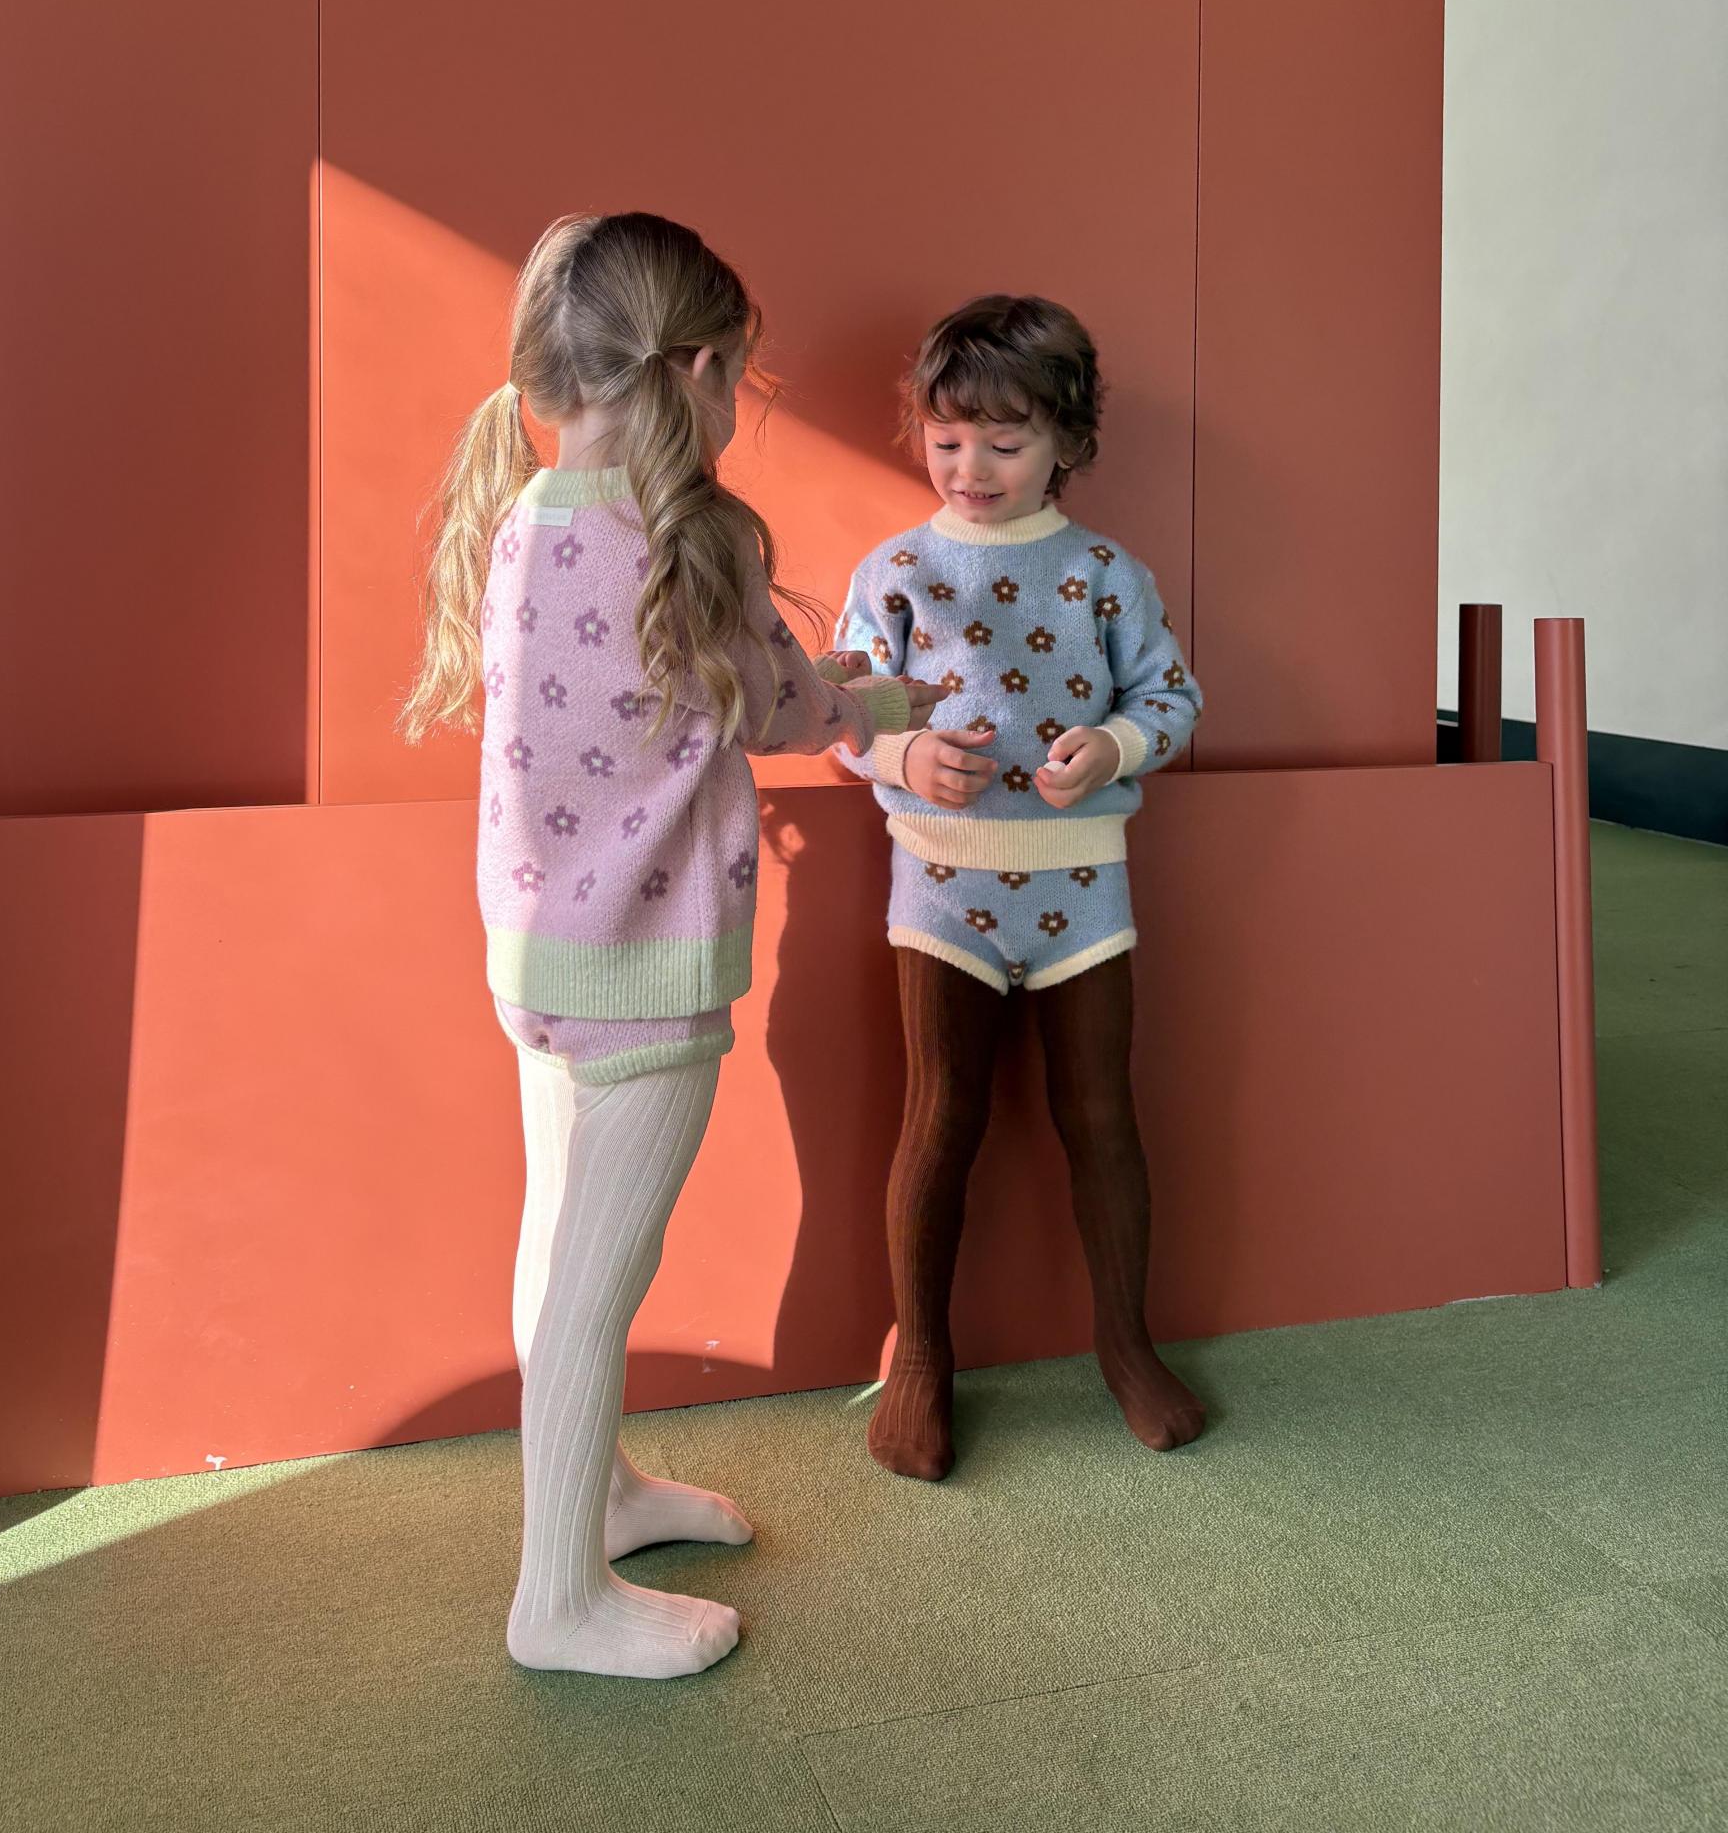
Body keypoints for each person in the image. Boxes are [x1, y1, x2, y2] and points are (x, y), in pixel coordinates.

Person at [402, 210, 937, 1677]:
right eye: (739, 378)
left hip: (534, 954)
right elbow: (785, 710)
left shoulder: (525, 516)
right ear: (698, 370)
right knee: (599, 1282)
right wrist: (881, 702)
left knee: (556, 1239)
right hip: (644, 969)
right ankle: (557, 1600)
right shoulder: (687, 543)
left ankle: (602, 1500)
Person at [833, 293, 1206, 1481]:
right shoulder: (896, 571)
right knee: (940, 1117)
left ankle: (1126, 1345)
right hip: (941, 892)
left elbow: (1172, 698)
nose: (970, 467)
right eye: (947, 440)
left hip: (1085, 892)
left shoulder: (1106, 574)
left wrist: (1114, 746)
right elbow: (844, 709)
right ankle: (922, 1358)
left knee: (1101, 1115)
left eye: (1003, 442)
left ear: (1066, 442)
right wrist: (904, 755)